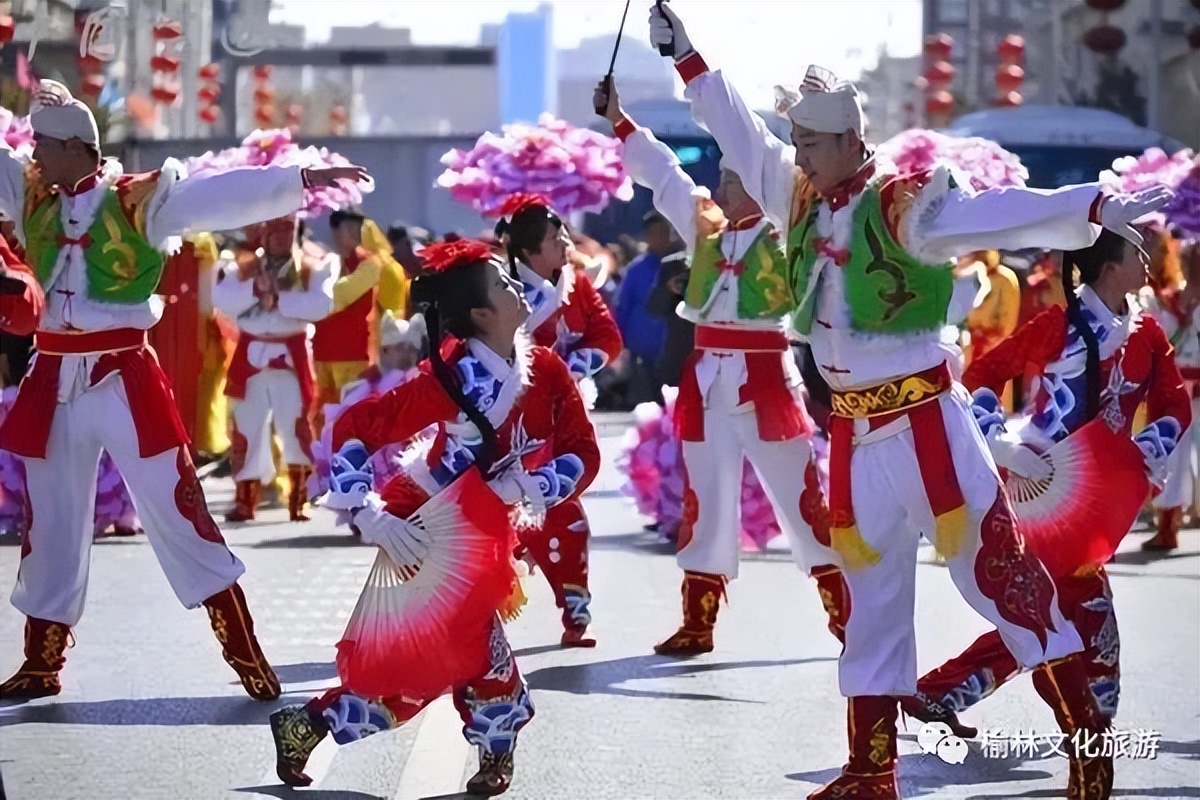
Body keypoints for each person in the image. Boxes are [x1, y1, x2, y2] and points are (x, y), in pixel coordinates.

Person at [648, 5, 1171, 797]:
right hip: (853, 433)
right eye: (797, 142)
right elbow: (738, 131)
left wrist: (1090, 208)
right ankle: (871, 771)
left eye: (811, 143)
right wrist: (686, 55)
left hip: (930, 424)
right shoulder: (797, 196)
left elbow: (994, 211)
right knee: (872, 605)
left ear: (849, 139)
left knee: (1003, 583)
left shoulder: (904, 203)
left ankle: (1088, 745)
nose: (799, 155)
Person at [0, 79, 368, 702]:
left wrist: (299, 179)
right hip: (52, 376)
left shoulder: (140, 200)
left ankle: (244, 650)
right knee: (51, 517)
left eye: (44, 145)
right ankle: (41, 660)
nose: (32, 155)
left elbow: (216, 196)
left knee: (177, 508)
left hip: (122, 375)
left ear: (75, 148)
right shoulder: (32, 191)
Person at [268, 239, 599, 795]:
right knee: (461, 650)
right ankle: (495, 748)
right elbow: (355, 427)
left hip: (485, 528)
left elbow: (583, 450)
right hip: (427, 528)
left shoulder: (545, 368)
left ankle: (308, 724)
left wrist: (533, 484)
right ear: (481, 315)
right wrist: (368, 513)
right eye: (503, 284)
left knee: (435, 652)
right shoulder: (451, 379)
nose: (517, 284)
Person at [908, 230, 1191, 744]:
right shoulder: (1057, 325)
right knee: (1079, 604)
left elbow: (1175, 404)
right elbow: (983, 375)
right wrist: (999, 443)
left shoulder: (1147, 332)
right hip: (1040, 486)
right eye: (1136, 252)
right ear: (1110, 267)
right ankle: (1091, 722)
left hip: (1096, 493)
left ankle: (942, 692)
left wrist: (1144, 451)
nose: (1148, 259)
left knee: (1048, 608)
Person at [597, 79, 830, 655]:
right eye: (723, 180)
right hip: (705, 384)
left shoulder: (787, 232)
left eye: (731, 180)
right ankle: (698, 621)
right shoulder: (704, 227)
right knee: (704, 500)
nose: (720, 188)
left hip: (766, 379)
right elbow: (665, 175)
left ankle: (848, 617)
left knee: (801, 498)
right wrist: (620, 120)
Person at [492, 193, 623, 646]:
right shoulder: (499, 288)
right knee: (494, 514)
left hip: (561, 414)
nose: (567, 243)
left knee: (565, 511)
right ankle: (476, 615)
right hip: (508, 420)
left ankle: (575, 611)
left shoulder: (576, 284)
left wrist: (574, 367)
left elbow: (607, 335)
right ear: (530, 251)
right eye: (556, 238)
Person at [215, 215, 333, 522]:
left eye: (287, 230)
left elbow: (321, 305)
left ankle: (299, 498)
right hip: (251, 356)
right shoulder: (243, 266)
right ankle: (245, 499)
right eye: (275, 230)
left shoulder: (313, 266)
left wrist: (279, 298)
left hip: (291, 357)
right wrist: (256, 290)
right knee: (246, 428)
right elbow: (223, 300)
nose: (282, 237)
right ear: (264, 234)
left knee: (296, 427)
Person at [1140, 233, 1199, 550]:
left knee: (1180, 454)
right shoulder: (1164, 298)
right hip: (1177, 385)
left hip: (1186, 383)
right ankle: (1168, 525)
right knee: (1175, 455)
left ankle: (1170, 524)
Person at [613, 210, 674, 405]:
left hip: (671, 350)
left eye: (663, 232)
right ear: (647, 236)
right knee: (646, 405)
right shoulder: (636, 269)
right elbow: (622, 306)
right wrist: (619, 343)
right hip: (641, 350)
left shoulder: (678, 266)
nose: (660, 238)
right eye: (654, 233)